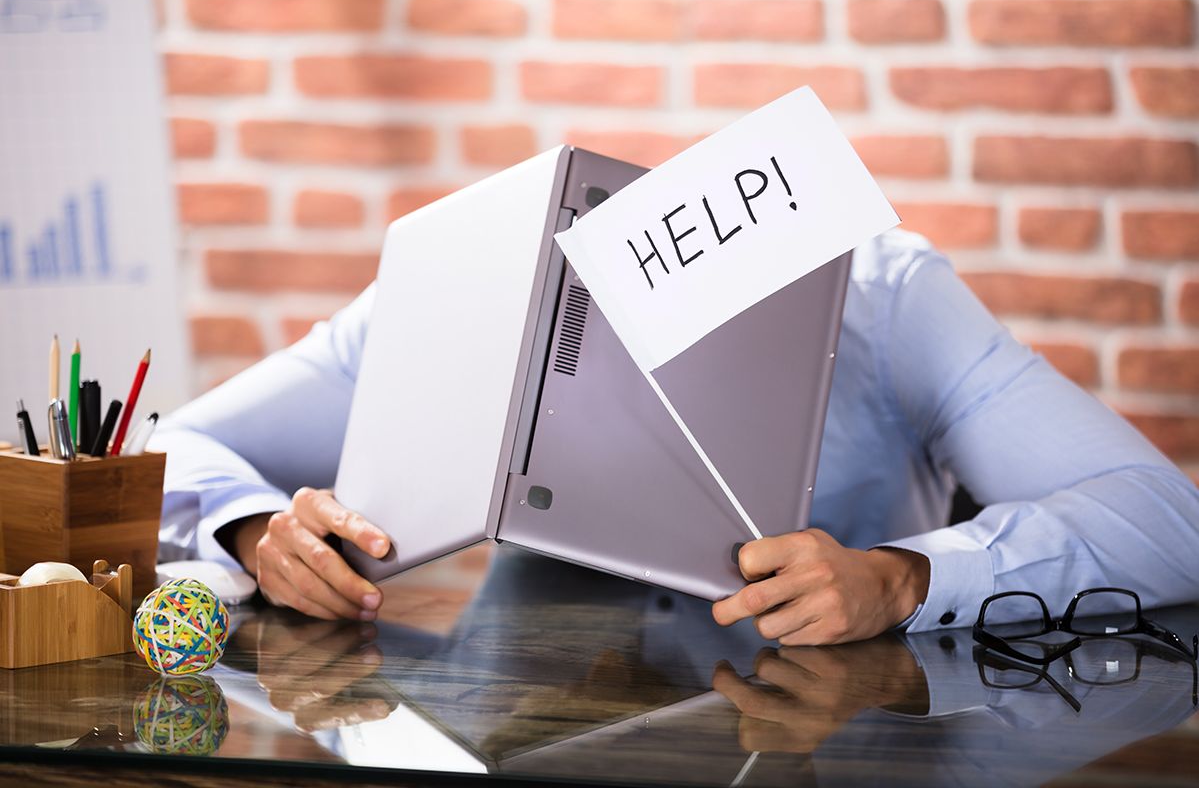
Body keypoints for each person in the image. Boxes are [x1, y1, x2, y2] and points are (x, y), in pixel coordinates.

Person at [155, 229, 1199, 643]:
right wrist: (252, 529)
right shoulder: (452, 294)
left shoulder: (881, 298)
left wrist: (903, 577)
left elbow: (1166, 519)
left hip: (834, 737)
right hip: (527, 715)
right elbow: (163, 448)